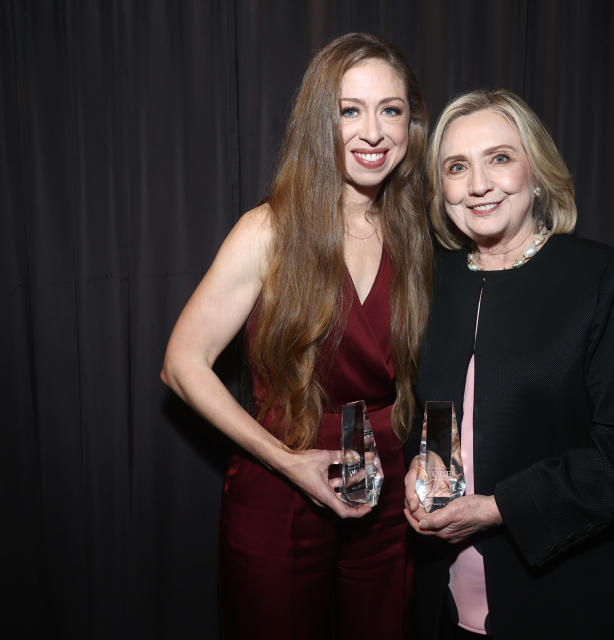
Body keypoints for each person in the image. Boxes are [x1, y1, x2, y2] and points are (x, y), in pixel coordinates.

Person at [161, 33, 431, 639]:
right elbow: (182, 363)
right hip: (283, 483)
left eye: (390, 110)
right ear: (319, 121)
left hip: (391, 494)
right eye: (349, 110)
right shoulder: (269, 230)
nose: (373, 132)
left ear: (411, 123)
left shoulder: (420, 231)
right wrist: (288, 462)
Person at [402, 89, 614, 639]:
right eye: (457, 167)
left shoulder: (597, 274)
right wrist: (421, 465)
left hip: (563, 597)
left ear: (538, 171)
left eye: (499, 157)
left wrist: (500, 507)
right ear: (442, 190)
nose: (478, 184)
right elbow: (439, 410)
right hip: (444, 598)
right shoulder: (432, 282)